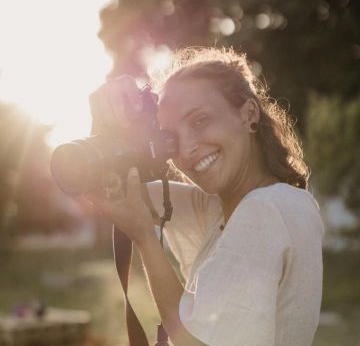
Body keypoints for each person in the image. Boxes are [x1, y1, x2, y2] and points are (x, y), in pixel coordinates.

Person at [88, 47, 324, 346]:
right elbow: (108, 189)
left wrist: (146, 240)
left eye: (200, 121)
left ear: (249, 114)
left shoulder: (266, 209)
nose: (186, 150)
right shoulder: (226, 208)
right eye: (171, 138)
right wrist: (108, 123)